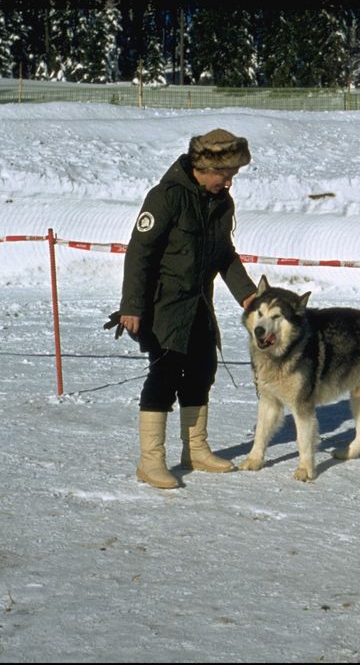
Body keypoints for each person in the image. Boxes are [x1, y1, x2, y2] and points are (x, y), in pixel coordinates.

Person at [118, 129, 258, 489]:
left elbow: (224, 253)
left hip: (198, 304)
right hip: (162, 306)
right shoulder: (167, 197)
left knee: (202, 371)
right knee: (164, 376)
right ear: (204, 167)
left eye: (233, 176)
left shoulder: (221, 203)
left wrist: (247, 294)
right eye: (225, 175)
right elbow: (139, 252)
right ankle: (151, 462)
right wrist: (131, 306)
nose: (229, 182)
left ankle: (195, 449)